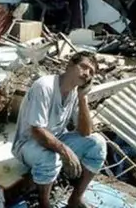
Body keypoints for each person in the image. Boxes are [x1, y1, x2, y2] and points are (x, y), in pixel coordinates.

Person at [12, 51, 107, 208]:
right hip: (27, 144)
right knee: (51, 157)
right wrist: (65, 151)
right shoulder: (45, 86)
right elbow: (36, 130)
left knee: (98, 143)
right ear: (70, 65)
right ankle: (44, 204)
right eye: (84, 67)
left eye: (91, 72)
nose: (87, 74)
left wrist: (83, 98)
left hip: (56, 138)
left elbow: (86, 132)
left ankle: (75, 199)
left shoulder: (75, 94)